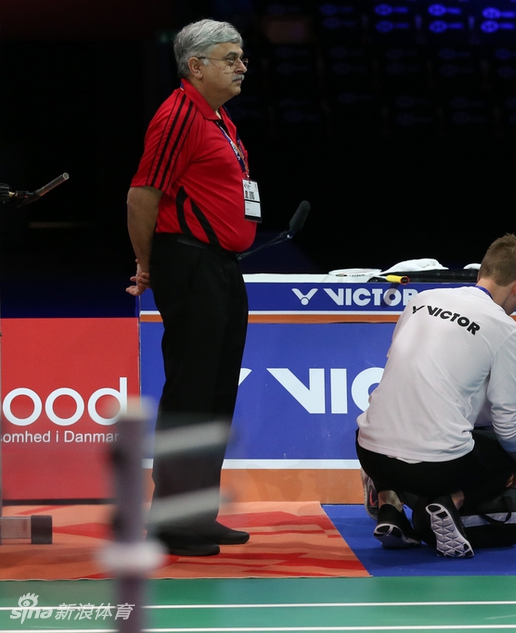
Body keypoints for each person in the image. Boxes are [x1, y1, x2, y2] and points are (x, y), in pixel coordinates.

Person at [126, 19, 256, 557]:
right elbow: (141, 195)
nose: (242, 65)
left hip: (221, 265)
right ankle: (172, 522)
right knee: (190, 394)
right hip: (189, 264)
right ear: (195, 66)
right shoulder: (178, 114)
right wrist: (147, 265)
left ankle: (199, 514)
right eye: (230, 57)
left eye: (242, 56)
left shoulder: (218, 118)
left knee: (217, 394)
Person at [356, 234, 516, 558]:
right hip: (436, 468)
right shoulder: (506, 328)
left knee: (391, 418)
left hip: (369, 453)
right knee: (506, 454)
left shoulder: (420, 299)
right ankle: (446, 501)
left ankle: (390, 505)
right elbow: (509, 425)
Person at [363, 295, 516, 521]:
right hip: (437, 439)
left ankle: (388, 490)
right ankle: (450, 502)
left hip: (391, 432)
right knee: (510, 467)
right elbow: (514, 453)